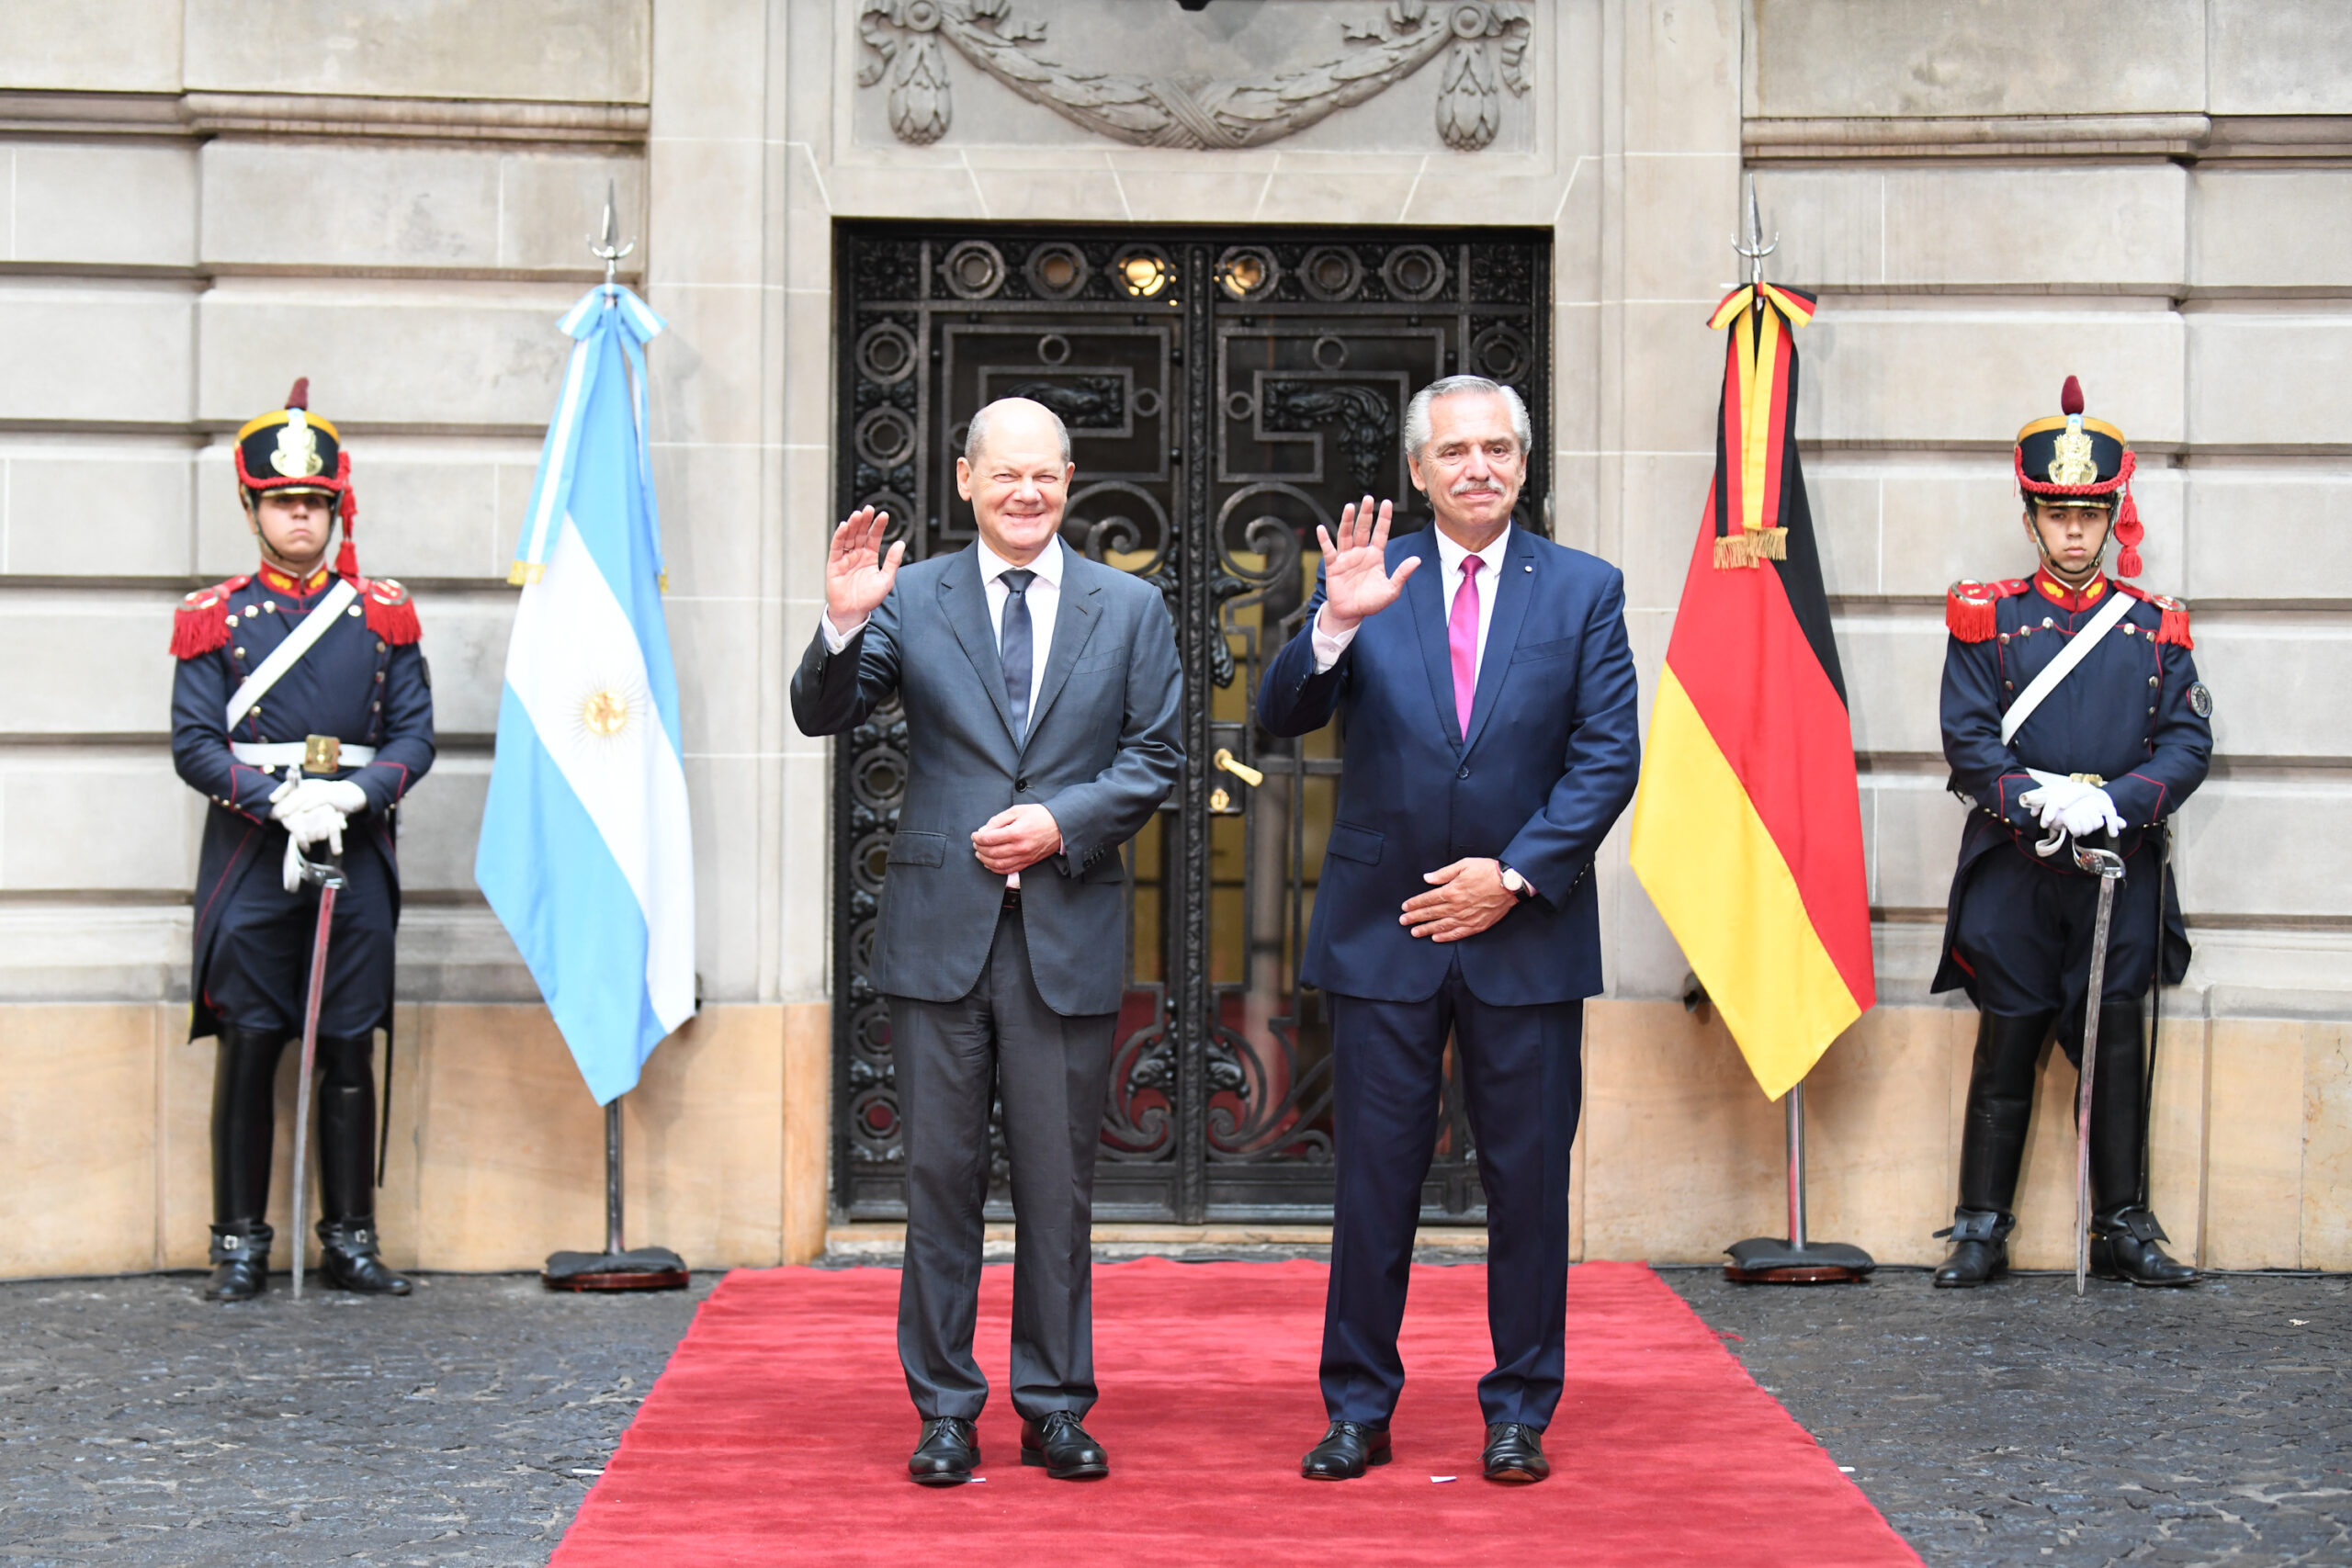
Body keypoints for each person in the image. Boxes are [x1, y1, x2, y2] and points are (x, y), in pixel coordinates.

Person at [791, 397, 1183, 1486]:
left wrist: (1066, 820)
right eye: (1003, 474)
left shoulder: (1130, 606)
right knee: (939, 1178)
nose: (1025, 493)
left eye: (1045, 476)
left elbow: (1156, 758)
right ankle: (946, 1408)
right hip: (939, 934)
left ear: (1068, 483)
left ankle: (1055, 1404)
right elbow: (824, 714)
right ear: (964, 481)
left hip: (1065, 926)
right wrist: (837, 625)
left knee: (1058, 1188)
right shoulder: (909, 597)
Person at [1256, 375, 1640, 1484]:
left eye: (1498, 448)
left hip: (1526, 933)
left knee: (1527, 1187)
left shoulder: (1583, 591)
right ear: (1417, 470)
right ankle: (1357, 1409)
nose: (1478, 466)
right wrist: (1332, 621)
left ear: (1523, 464)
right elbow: (1278, 717)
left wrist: (1514, 875)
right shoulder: (1373, 582)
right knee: (1373, 1183)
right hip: (1389, 932)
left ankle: (1519, 1408)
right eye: (1454, 450)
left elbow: (1605, 755)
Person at [1932, 376, 2209, 1289]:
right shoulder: (1989, 618)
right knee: (2006, 1044)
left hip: (2115, 870)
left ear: (2110, 516)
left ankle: (2123, 1228)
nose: (2076, 532)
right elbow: (1966, 740)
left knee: (2115, 1049)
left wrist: (2118, 802)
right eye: (2058, 515)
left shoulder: (2153, 628)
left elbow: (2186, 741)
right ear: (2031, 521)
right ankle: (1980, 1225)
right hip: (2019, 869)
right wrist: (2030, 798)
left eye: (2091, 514)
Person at [170, 378, 434, 1303]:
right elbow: (194, 744)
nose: (300, 520)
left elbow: (414, 737)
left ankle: (350, 1238)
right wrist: (277, 801)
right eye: (282, 503)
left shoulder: (381, 614)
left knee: (349, 1045)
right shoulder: (215, 616)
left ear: (336, 508)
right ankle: (238, 1241)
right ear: (251, 508)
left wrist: (351, 800)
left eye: (315, 505)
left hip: (352, 853)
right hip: (252, 855)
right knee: (250, 1041)